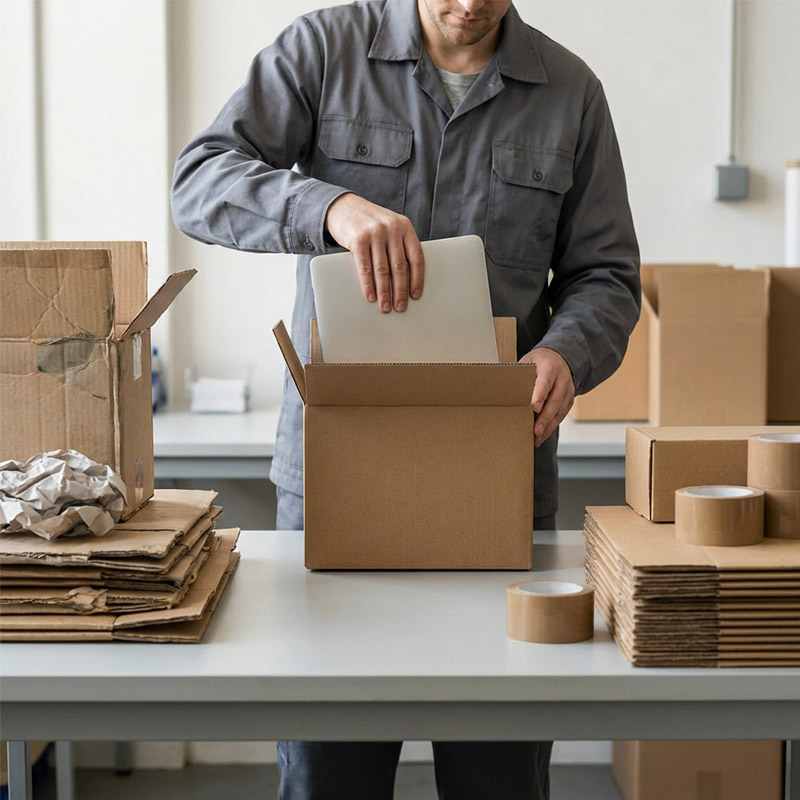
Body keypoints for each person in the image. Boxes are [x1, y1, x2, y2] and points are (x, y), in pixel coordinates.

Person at [172, 1, 640, 797]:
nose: (468, 4)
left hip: (497, 477)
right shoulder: (324, 49)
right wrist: (325, 206)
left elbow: (608, 276)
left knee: (500, 770)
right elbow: (198, 180)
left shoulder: (571, 92)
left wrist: (567, 351)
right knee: (331, 772)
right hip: (337, 482)